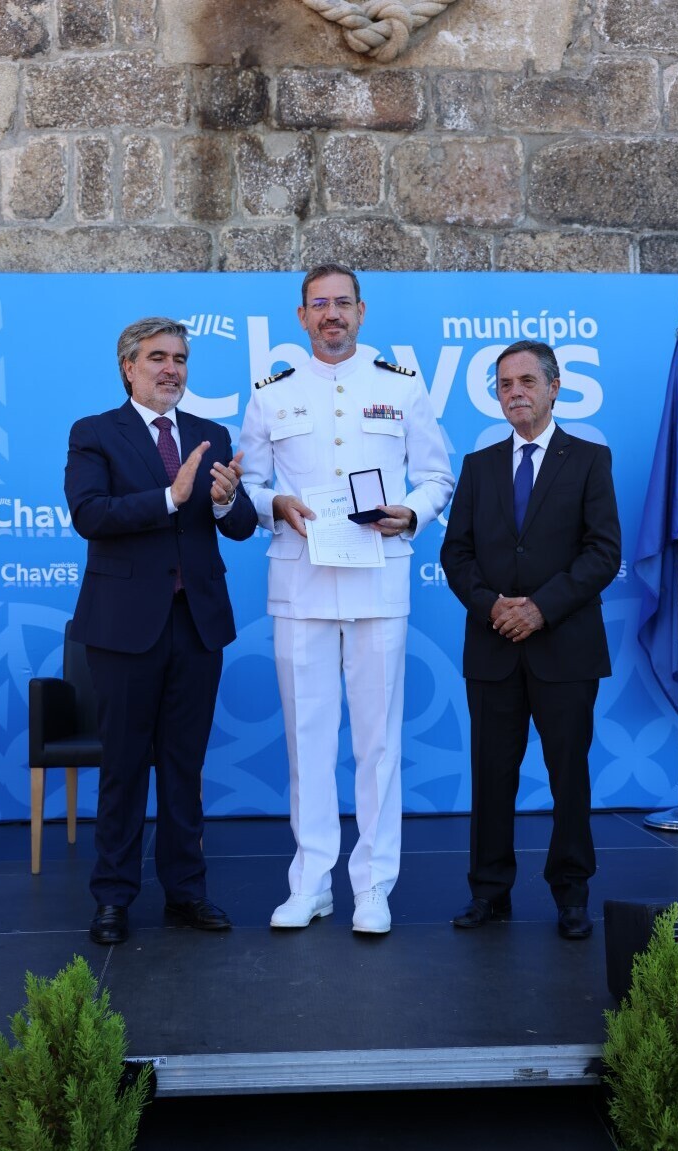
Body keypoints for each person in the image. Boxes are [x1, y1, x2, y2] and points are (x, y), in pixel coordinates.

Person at [239, 262, 454, 934]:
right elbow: (248, 483)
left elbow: (437, 476)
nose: (331, 314)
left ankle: (373, 886)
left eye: (342, 303)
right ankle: (310, 883)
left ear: (362, 311)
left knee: (377, 744)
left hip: (378, 581)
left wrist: (410, 513)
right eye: (318, 304)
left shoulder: (401, 385)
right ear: (301, 316)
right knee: (306, 741)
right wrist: (275, 503)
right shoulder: (271, 394)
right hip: (300, 585)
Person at [64, 316, 257, 945]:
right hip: (123, 629)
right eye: (157, 358)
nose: (171, 369)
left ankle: (186, 893)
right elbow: (90, 515)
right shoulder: (95, 433)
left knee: (184, 766)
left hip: (197, 625)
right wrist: (170, 497)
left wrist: (225, 500)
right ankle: (113, 898)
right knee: (123, 767)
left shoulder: (210, 433)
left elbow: (239, 527)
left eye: (179, 358)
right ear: (129, 367)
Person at [440, 339, 621, 940]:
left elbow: (603, 552)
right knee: (492, 774)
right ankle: (488, 891)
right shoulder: (478, 465)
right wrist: (493, 606)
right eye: (504, 384)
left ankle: (572, 894)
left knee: (569, 775)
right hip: (492, 647)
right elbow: (456, 554)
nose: (514, 392)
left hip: (565, 647)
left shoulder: (590, 460)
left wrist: (541, 609)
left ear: (553, 388)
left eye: (525, 381)